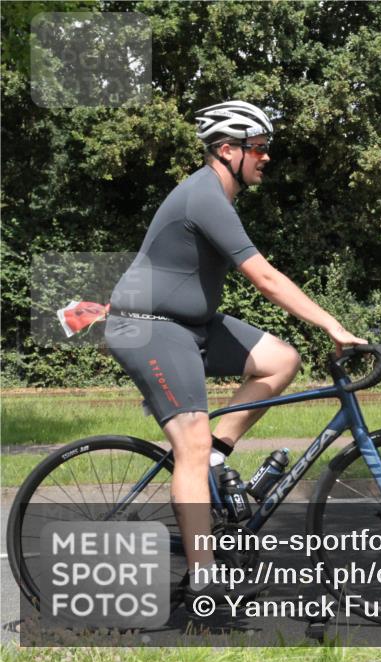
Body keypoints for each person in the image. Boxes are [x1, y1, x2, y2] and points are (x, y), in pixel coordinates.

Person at [104, 100, 366, 612]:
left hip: (192, 326)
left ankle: (216, 457)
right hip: (150, 327)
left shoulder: (218, 196)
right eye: (259, 148)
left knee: (281, 360)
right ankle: (204, 579)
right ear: (227, 150)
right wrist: (332, 324)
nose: (266, 157)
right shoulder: (204, 195)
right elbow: (264, 278)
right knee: (191, 443)